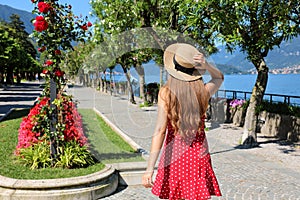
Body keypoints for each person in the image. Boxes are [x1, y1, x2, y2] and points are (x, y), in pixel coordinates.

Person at [142, 43, 224, 200]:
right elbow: (219, 77)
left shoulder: (166, 93)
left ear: (173, 68)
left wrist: (149, 169)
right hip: (198, 156)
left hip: (174, 156)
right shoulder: (203, 91)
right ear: (194, 70)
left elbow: (160, 131)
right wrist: (207, 65)